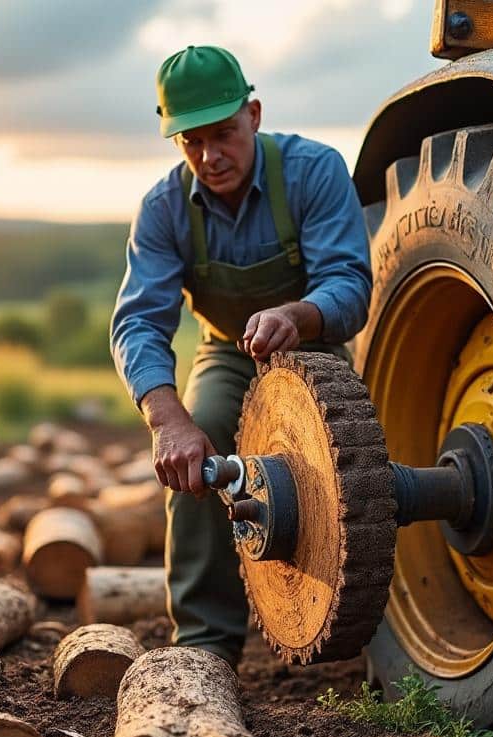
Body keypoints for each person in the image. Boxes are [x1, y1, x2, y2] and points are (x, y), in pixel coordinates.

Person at [109, 45, 373, 668]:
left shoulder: (314, 170)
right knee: (194, 452)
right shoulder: (163, 209)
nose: (210, 156)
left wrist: (296, 316)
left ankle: (368, 630)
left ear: (253, 115)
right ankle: (205, 646)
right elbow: (138, 322)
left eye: (223, 134)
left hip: (319, 348)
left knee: (358, 468)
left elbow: (349, 284)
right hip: (227, 353)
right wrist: (168, 422)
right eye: (191, 142)